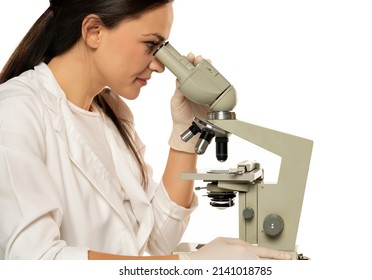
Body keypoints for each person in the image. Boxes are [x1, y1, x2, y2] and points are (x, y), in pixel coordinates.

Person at [0, 0, 291, 260]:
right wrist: (189, 265)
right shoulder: (16, 112)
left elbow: (160, 239)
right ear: (93, 31)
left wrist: (184, 136)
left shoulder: (112, 113)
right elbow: (36, 261)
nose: (160, 66)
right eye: (152, 45)